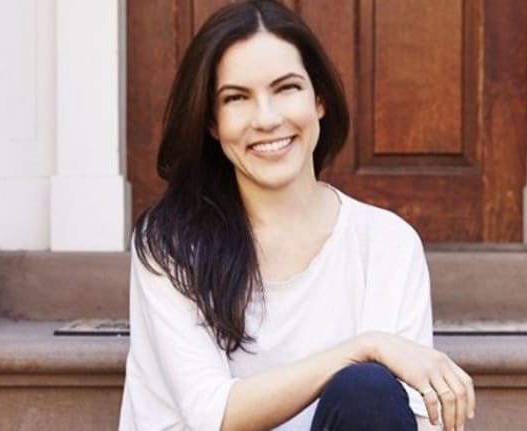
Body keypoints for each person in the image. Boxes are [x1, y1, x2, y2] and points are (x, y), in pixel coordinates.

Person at [119, 1, 475, 430]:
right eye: (236, 98)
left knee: (368, 391)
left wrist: (366, 358)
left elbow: (410, 419)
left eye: (286, 88)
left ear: (319, 99)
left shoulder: (385, 243)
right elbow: (211, 414)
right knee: (367, 373)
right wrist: (365, 346)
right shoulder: (171, 245)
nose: (267, 119)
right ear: (212, 122)